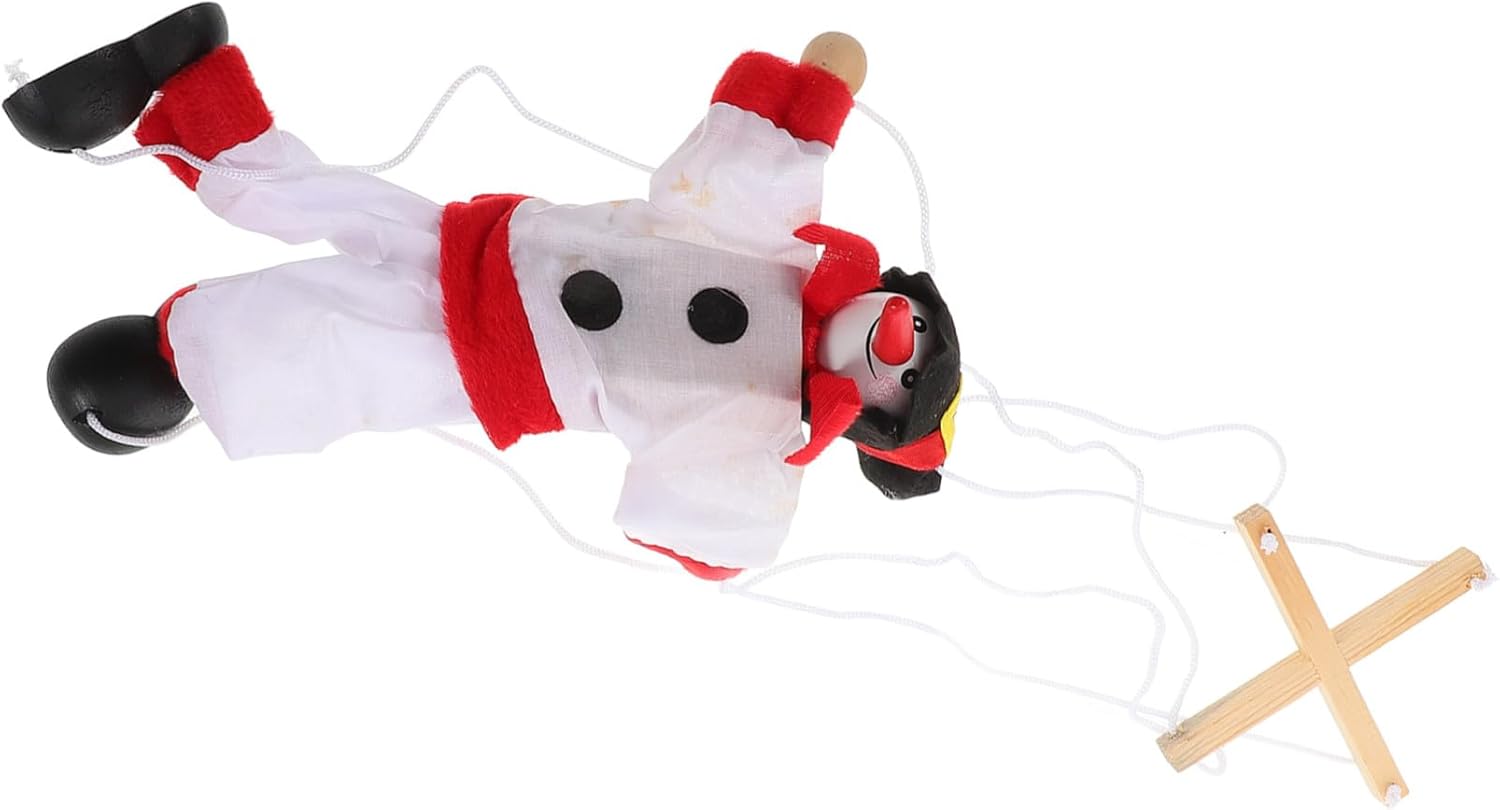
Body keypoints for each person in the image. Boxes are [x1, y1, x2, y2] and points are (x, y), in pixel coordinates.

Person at [5, 4, 962, 579]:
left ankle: (170, 367)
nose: (893, 335)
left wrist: (732, 526)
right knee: (330, 197)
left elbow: (714, 524)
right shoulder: (777, 252)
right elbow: (759, 157)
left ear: (873, 419)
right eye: (915, 325)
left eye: (900, 370)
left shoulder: (757, 423)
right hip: (484, 246)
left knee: (326, 343)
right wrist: (815, 92)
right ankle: (191, 96)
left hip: (484, 359)